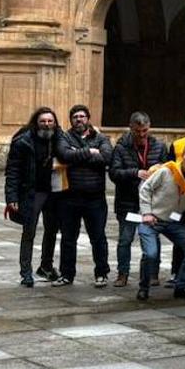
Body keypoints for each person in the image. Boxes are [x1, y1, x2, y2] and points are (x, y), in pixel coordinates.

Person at [136, 142, 185, 300]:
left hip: (173, 223)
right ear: (182, 156)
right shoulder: (167, 170)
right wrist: (146, 213)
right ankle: (144, 287)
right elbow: (145, 189)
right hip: (152, 220)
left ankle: (181, 287)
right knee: (151, 254)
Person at [55, 104, 113, 287]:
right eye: (75, 117)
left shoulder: (101, 138)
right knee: (68, 238)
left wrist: (76, 155)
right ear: (71, 120)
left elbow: (106, 158)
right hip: (69, 197)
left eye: (82, 116)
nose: (79, 120)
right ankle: (66, 274)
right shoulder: (64, 137)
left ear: (88, 118)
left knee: (98, 237)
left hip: (95, 198)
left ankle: (102, 273)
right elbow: (64, 155)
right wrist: (89, 152)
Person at [5, 107, 64, 287]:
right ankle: (26, 273)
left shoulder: (59, 138)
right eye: (43, 121)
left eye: (50, 121)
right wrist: (11, 197)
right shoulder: (23, 141)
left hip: (53, 191)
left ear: (54, 122)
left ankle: (46, 266)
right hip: (32, 192)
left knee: (52, 230)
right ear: (36, 122)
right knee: (29, 232)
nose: (47, 124)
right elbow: (12, 171)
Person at [108, 112, 168, 289]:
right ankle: (123, 273)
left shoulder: (158, 146)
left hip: (151, 203)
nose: (142, 135)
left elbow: (168, 170)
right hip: (128, 202)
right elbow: (113, 173)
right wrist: (135, 173)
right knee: (125, 239)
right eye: (137, 131)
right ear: (131, 129)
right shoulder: (120, 147)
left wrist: (157, 172)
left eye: (145, 131)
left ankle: (151, 273)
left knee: (150, 238)